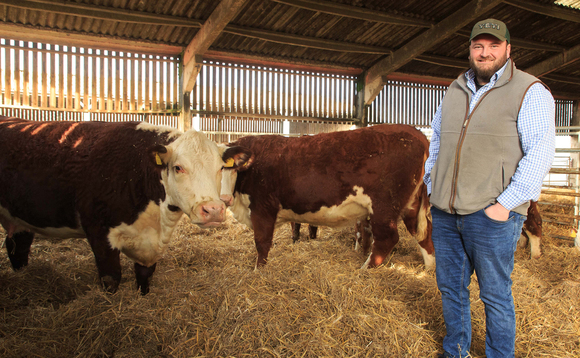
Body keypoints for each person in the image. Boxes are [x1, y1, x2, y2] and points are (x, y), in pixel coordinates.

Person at [423, 18, 555, 358]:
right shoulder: (454, 90)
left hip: (492, 214)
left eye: (493, 46)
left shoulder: (530, 90)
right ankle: (456, 350)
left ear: (508, 50)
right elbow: (437, 140)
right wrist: (430, 185)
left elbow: (540, 151)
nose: (485, 53)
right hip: (446, 213)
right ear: (470, 50)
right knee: (451, 288)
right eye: (478, 46)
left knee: (495, 293)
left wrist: (505, 205)